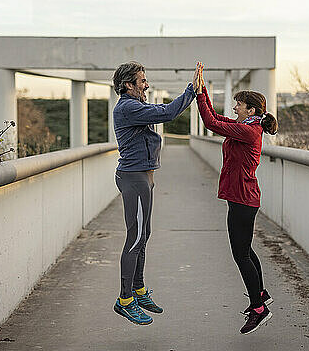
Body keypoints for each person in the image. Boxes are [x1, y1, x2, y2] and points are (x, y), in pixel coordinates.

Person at [111, 61, 201, 325]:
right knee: (136, 237)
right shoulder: (128, 107)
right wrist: (191, 91)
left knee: (144, 234)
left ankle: (138, 291)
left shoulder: (135, 106)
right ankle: (125, 300)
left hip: (142, 179)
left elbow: (161, 111)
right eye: (142, 81)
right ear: (128, 85)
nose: (146, 84)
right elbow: (168, 112)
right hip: (134, 179)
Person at [195, 63, 277, 334]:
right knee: (246, 250)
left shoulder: (248, 131)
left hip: (243, 200)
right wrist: (202, 89)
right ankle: (261, 295)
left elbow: (209, 123)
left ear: (251, 110)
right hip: (243, 198)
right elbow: (217, 117)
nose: (235, 109)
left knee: (240, 253)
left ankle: (258, 309)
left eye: (239, 105)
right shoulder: (246, 126)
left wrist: (197, 93)